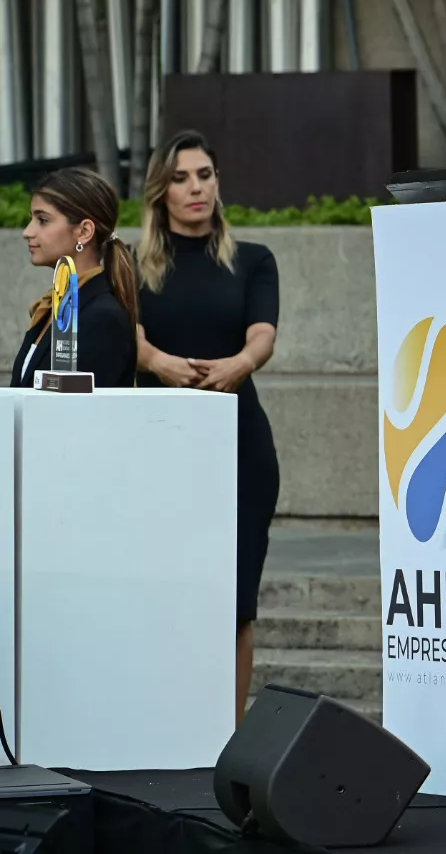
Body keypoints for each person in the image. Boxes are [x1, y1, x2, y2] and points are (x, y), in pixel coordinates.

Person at [134, 132, 280, 725]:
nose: (196, 187)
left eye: (205, 174)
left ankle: (227, 732)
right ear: (159, 192)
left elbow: (263, 334)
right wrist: (156, 362)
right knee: (163, 593)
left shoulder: (254, 260)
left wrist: (239, 365)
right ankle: (165, 723)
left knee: (236, 599)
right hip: (158, 444)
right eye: (181, 177)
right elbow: (129, 334)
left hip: (239, 442)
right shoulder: (132, 262)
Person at [11, 168, 139, 389]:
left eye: (43, 220)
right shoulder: (56, 306)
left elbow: (79, 413)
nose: (27, 232)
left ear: (84, 231)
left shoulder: (102, 318)